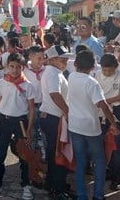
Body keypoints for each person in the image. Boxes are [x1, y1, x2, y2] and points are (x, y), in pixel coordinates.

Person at [67, 50, 120, 200]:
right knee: (99, 160)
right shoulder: (92, 83)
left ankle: (81, 195)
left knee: (80, 160)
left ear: (76, 64)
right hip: (91, 127)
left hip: (75, 125)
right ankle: (98, 195)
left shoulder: (71, 77)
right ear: (93, 67)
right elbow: (102, 105)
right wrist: (113, 123)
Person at [0, 53, 36, 199]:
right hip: (4, 120)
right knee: (0, 153)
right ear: (7, 67)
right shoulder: (3, 82)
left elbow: (31, 109)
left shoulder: (27, 86)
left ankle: (26, 184)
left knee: (24, 154)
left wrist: (29, 129)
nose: (14, 70)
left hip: (20, 122)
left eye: (18, 67)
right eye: (12, 66)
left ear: (23, 68)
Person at [40, 45, 74, 199]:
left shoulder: (54, 71)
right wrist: (68, 112)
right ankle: (58, 188)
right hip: (54, 118)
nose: (66, 61)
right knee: (57, 153)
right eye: (63, 58)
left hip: (53, 117)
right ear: (53, 59)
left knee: (53, 153)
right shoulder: (52, 73)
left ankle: (53, 183)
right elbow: (55, 94)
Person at [95, 53, 120, 190]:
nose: (107, 73)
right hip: (99, 112)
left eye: (110, 70)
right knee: (102, 143)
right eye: (105, 70)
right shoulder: (97, 75)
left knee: (116, 145)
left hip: (115, 111)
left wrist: (108, 101)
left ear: (116, 67)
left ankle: (118, 176)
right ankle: (108, 170)